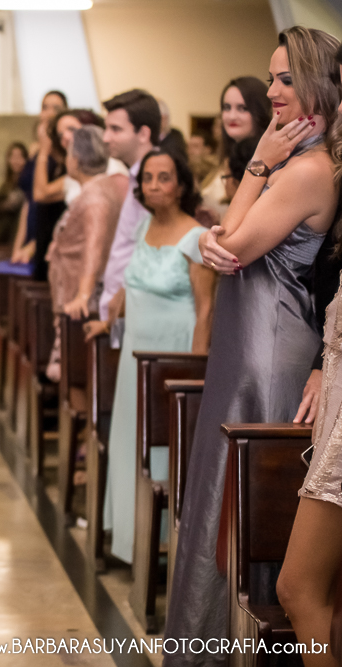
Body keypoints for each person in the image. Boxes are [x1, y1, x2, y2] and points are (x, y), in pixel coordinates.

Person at [165, 27, 342, 665]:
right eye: (270, 78)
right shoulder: (297, 164)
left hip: (271, 348)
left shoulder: (309, 169)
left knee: (245, 505)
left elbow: (233, 244)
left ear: (321, 86)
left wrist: (258, 163)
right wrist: (225, 237)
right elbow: (225, 243)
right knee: (219, 492)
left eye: (287, 79)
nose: (273, 92)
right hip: (246, 342)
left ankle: (240, 652)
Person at [96, 148, 215, 565]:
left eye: (164, 177)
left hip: (174, 352)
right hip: (135, 354)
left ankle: (164, 549)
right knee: (130, 440)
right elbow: (137, 282)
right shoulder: (144, 225)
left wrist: (196, 370)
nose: (153, 185)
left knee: (164, 447)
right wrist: (111, 314)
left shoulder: (196, 237)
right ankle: (131, 543)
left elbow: (206, 309)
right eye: (147, 178)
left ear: (181, 184)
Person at [96, 89, 161, 329]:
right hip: (121, 308)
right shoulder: (135, 175)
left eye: (116, 129)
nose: (105, 137)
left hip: (134, 308)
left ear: (143, 133)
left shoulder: (156, 182)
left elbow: (154, 252)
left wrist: (120, 297)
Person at [48, 126, 126, 321]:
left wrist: (83, 294)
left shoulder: (95, 197)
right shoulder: (100, 187)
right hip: (74, 287)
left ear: (76, 159)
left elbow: (95, 245)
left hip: (83, 298)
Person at [199, 77, 272, 224]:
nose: (232, 116)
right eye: (227, 108)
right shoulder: (225, 157)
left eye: (242, 108)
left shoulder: (264, 162)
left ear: (260, 113)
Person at [11, 91, 68, 279]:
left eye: (56, 108)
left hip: (49, 232)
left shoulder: (63, 156)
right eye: (45, 107)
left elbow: (46, 198)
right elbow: (28, 202)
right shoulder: (34, 150)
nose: (49, 113)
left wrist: (33, 245)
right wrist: (18, 245)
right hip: (31, 227)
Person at [0, 142, 27, 245]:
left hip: (19, 234)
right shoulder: (6, 185)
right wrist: (6, 205)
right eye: (13, 157)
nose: (16, 161)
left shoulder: (29, 182)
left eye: (19, 157)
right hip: (4, 235)